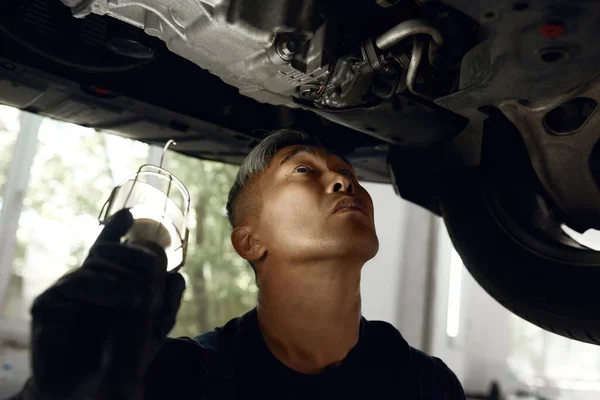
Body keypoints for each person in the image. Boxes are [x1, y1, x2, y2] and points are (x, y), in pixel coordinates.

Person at [12, 130, 465, 400]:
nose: (344, 179)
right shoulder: (175, 377)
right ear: (250, 242)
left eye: (344, 169)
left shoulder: (427, 385)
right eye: (304, 170)